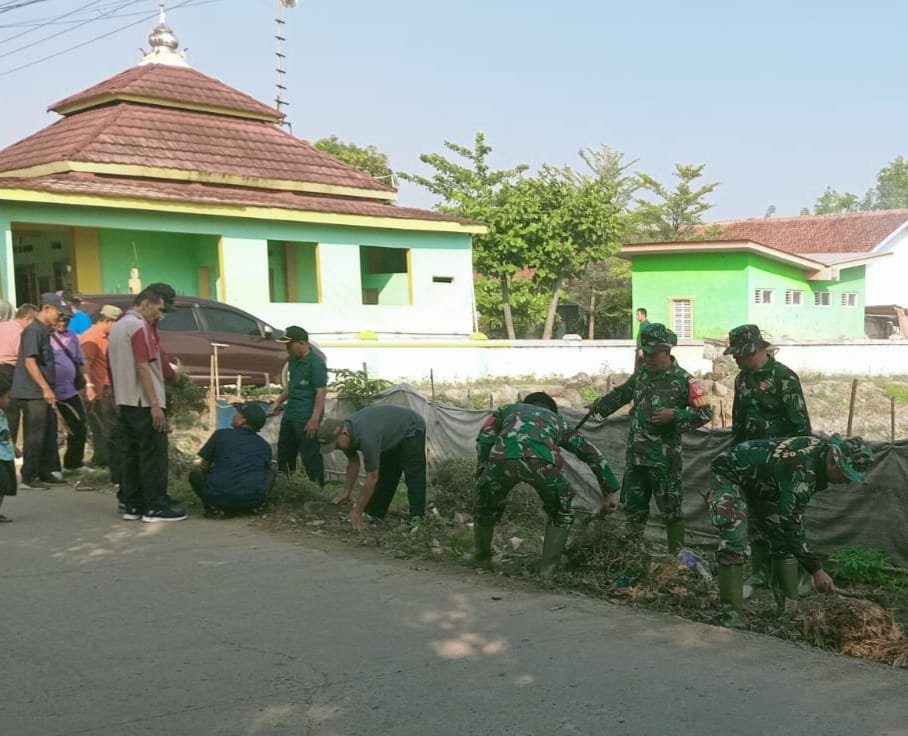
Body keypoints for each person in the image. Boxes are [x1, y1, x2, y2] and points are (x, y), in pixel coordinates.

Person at [707, 434, 874, 627]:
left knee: (781, 541)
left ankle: (787, 612)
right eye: (845, 475)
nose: (846, 482)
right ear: (834, 462)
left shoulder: (820, 454)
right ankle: (732, 617)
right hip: (729, 472)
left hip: (764, 482)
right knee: (734, 539)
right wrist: (816, 570)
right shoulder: (802, 475)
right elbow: (791, 525)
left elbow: (787, 526)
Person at [590, 322, 713, 552]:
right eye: (644, 353)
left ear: (666, 351)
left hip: (664, 461)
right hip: (636, 458)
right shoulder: (642, 374)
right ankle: (631, 555)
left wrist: (675, 415)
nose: (647, 358)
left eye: (653, 354)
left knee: (671, 511)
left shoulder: (684, 380)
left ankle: (676, 559)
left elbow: (705, 413)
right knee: (633, 510)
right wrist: (599, 406)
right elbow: (622, 394)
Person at [470, 391, 620, 575]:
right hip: (543, 464)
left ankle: (481, 560)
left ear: (527, 403)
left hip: (502, 459)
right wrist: (610, 491)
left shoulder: (507, 410)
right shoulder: (558, 420)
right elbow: (591, 453)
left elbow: (485, 438)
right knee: (561, 512)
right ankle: (548, 572)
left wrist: (483, 470)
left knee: (485, 506)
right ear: (551, 409)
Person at [725, 323, 812, 588]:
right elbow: (739, 423)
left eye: (738, 354)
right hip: (752, 463)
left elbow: (801, 427)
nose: (735, 359)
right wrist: (735, 458)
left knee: (786, 520)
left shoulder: (784, 378)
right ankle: (761, 571)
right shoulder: (741, 380)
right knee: (756, 519)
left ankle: (798, 576)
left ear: (753, 350)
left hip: (782, 465)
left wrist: (796, 466)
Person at [108, 284, 185, 522]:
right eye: (159, 310)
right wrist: (155, 405)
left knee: (131, 454)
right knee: (153, 455)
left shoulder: (119, 325)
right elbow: (143, 366)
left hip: (126, 400)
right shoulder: (139, 326)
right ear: (146, 303)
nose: (159, 316)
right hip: (144, 401)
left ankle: (133, 504)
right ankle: (155, 506)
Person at [319, 404, 426, 529]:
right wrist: (346, 491)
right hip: (389, 431)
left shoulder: (367, 438)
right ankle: (374, 514)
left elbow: (372, 477)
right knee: (388, 474)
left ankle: (417, 520)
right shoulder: (347, 432)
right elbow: (353, 463)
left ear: (343, 433)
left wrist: (358, 510)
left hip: (411, 427)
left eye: (335, 445)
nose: (336, 448)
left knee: (414, 475)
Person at [11, 293, 71, 490]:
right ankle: (29, 476)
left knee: (48, 431)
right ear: (46, 309)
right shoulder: (33, 331)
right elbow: (30, 361)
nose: (60, 318)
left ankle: (45, 471)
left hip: (42, 390)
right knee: (35, 435)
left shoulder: (44, 331)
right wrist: (45, 388)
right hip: (32, 391)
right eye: (58, 313)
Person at [189, 403, 274, 516]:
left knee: (196, 474)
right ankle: (256, 506)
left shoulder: (220, 435)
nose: (234, 415)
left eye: (238, 413)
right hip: (251, 500)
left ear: (242, 421)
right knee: (270, 472)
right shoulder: (264, 445)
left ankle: (214, 508)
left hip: (219, 497)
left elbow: (204, 466)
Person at [268, 326, 327, 484]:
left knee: (310, 454)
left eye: (289, 345)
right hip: (291, 413)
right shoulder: (293, 361)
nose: (287, 349)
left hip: (306, 416)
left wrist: (314, 418)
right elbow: (291, 385)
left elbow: (321, 392)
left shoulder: (315, 363)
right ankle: (286, 484)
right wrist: (278, 401)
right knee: (285, 452)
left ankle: (316, 487)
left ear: (302, 343)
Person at [80, 305, 123, 475]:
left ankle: (105, 459)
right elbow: (85, 364)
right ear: (107, 320)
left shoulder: (107, 337)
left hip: (107, 388)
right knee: (102, 427)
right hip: (98, 390)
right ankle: (102, 459)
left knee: (106, 426)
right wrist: (89, 386)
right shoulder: (91, 337)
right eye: (116, 323)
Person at [50, 312, 92, 475]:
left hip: (70, 390)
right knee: (53, 431)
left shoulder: (72, 336)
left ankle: (73, 462)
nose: (62, 323)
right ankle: (51, 468)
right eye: (60, 320)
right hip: (51, 391)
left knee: (79, 424)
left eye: (66, 321)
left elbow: (81, 360)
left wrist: (88, 384)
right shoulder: (46, 336)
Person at [0, 303, 37, 455]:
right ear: (28, 318)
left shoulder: (2, 326)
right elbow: (23, 356)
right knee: (11, 412)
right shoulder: (20, 332)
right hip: (8, 371)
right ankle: (9, 447)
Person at [0, 374, 16, 521]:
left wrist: (14, 447)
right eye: (7, 397)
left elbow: (5, 433)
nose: (9, 400)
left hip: (6, 454)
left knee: (4, 486)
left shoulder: (2, 414)